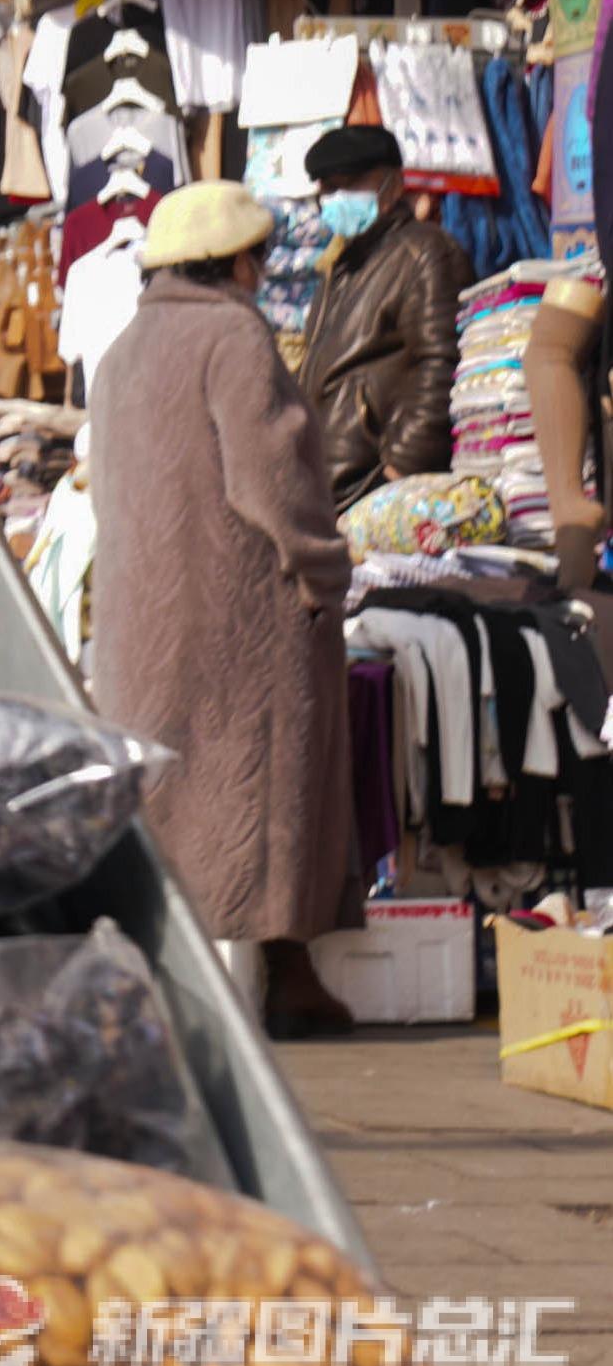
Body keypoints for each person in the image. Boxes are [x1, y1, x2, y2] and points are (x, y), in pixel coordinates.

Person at [87, 182, 361, 1039]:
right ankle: (288, 972)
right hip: (240, 609)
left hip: (144, 612)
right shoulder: (234, 336)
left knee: (169, 791)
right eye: (258, 256)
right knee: (265, 790)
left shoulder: (121, 351)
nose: (262, 270)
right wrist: (323, 565)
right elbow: (269, 475)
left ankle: (168, 980)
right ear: (236, 262)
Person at [298, 123, 466, 510]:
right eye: (328, 189)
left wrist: (399, 469)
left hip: (374, 488)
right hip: (331, 490)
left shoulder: (424, 253)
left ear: (393, 185)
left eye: (352, 185)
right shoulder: (342, 267)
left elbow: (443, 364)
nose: (338, 199)